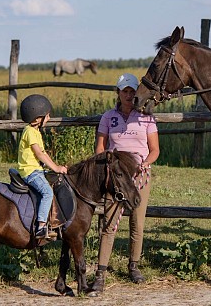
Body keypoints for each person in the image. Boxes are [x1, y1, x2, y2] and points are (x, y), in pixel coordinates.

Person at [93, 73, 160, 291]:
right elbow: (100, 147)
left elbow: (155, 149)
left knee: (137, 222)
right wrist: (106, 167)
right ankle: (101, 271)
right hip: (116, 174)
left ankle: (134, 266)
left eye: (132, 91)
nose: (129, 95)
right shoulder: (108, 117)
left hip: (138, 174)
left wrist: (145, 163)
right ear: (118, 93)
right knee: (109, 221)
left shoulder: (146, 117)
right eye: (125, 91)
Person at [18, 94, 68, 239]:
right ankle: (40, 227)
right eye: (47, 116)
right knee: (47, 192)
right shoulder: (30, 133)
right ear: (37, 118)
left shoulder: (34, 131)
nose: (49, 118)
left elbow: (43, 154)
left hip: (36, 169)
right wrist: (56, 168)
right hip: (30, 172)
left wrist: (56, 167)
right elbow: (40, 154)